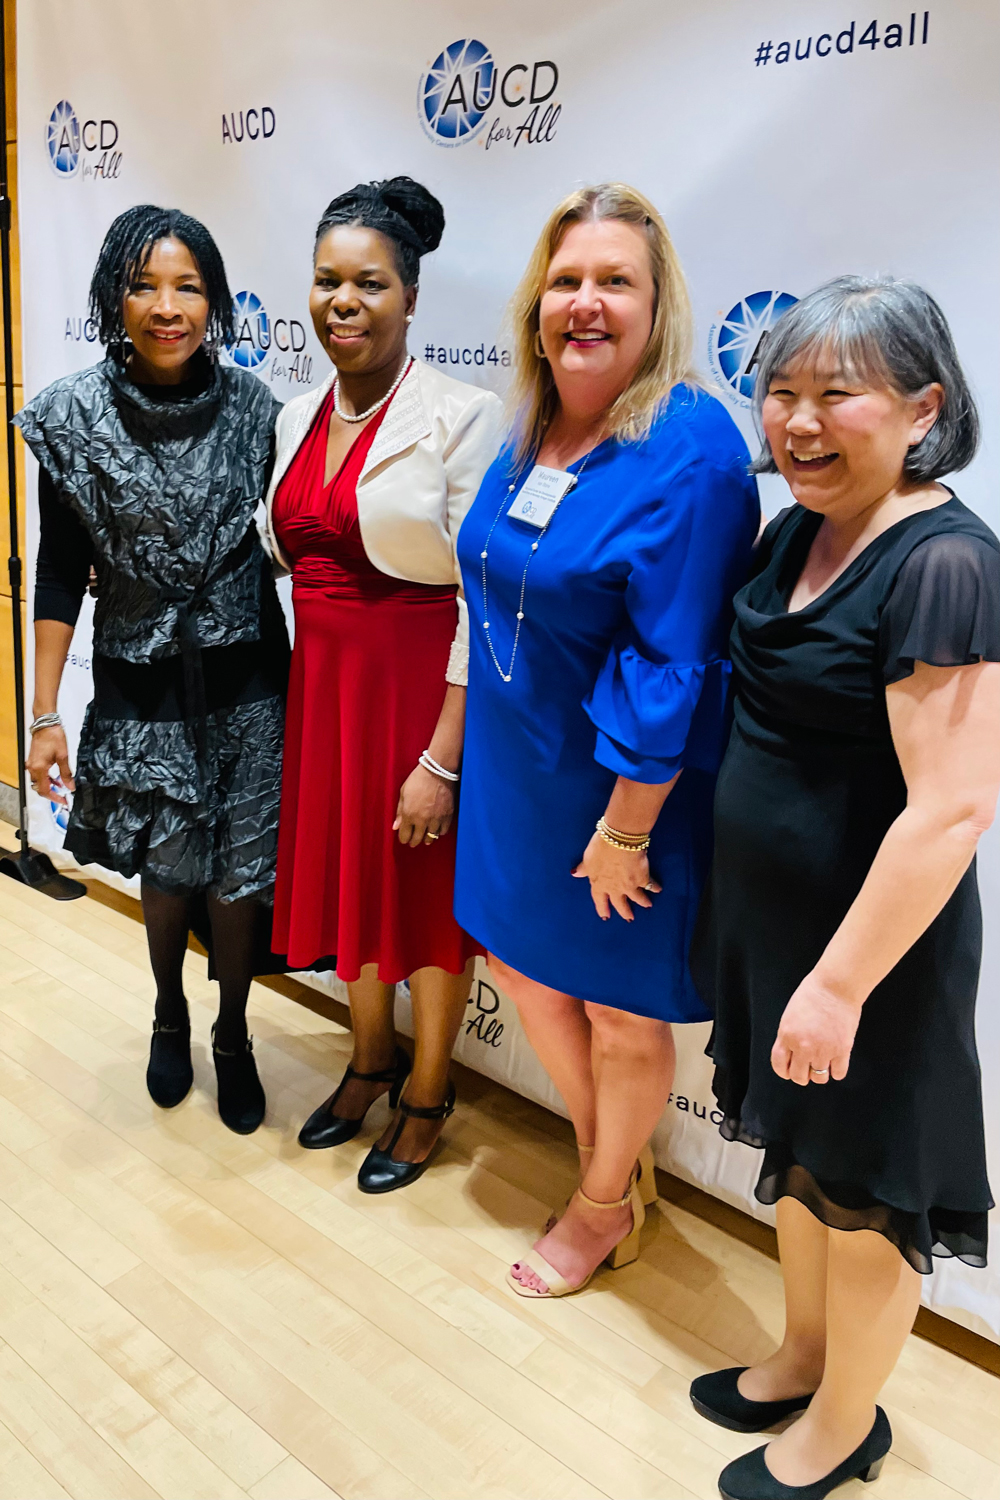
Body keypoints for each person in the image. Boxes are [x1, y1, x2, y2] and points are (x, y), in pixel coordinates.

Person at [689, 276, 1000, 1500]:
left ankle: (845, 1424)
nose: (797, 422)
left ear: (922, 408)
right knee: (802, 1161)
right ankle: (803, 1356)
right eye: (779, 393)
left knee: (868, 1189)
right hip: (777, 929)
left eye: (836, 395)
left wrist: (837, 983)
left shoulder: (946, 566)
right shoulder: (791, 531)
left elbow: (952, 810)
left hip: (871, 958)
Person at [454, 183, 759, 1297]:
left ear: (656, 300)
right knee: (524, 972)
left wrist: (626, 831)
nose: (583, 302)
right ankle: (619, 1175)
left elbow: (675, 654)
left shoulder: (690, 444)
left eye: (613, 281)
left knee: (624, 1018)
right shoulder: (533, 417)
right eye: (566, 279)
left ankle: (598, 1204)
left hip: (623, 789)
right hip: (513, 767)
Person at [18, 205, 288, 1135]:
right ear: (112, 296)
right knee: (170, 871)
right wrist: (43, 710)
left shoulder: (261, 412)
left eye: (188, 287)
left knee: (241, 874)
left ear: (213, 301)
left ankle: (234, 1031)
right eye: (145, 285)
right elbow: (57, 572)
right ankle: (171, 1010)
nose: (167, 307)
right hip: (142, 682)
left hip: (250, 682)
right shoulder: (72, 418)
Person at [266, 177, 502, 1193]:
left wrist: (442, 760)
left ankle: (428, 1090)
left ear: (409, 297)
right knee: (352, 882)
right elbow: (291, 553)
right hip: (324, 694)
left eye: (368, 283)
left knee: (420, 899)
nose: (343, 301)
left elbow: (482, 599)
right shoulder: (293, 415)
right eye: (326, 282)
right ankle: (369, 1060)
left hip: (417, 696)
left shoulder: (464, 414)